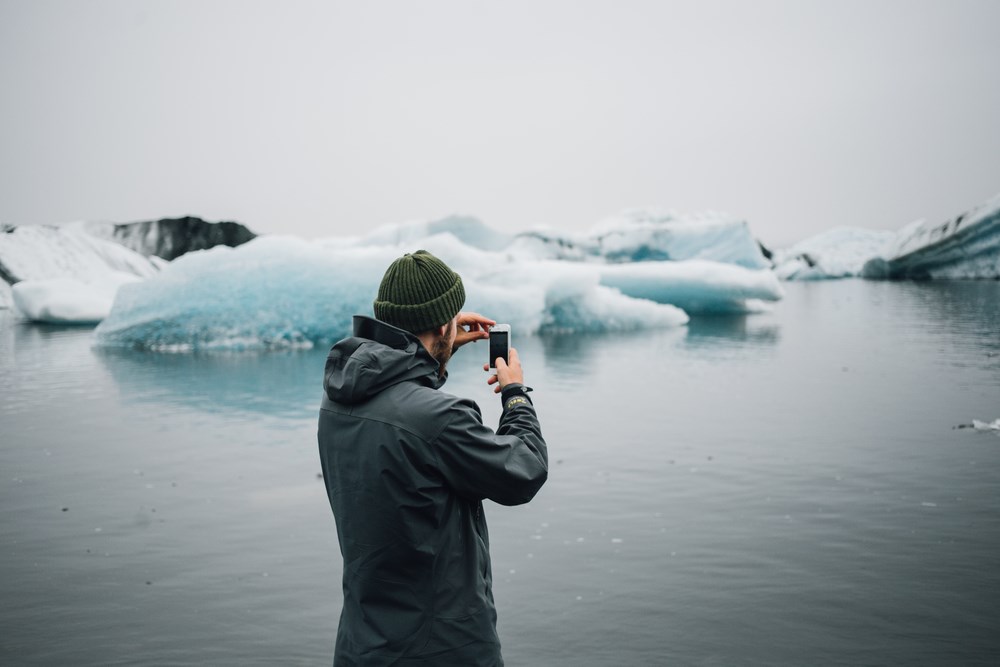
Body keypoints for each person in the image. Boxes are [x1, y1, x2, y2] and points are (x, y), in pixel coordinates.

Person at [318, 249, 548, 666]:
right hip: (444, 648)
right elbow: (524, 470)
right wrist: (515, 394)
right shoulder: (439, 418)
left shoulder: (336, 400)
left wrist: (437, 351)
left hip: (362, 644)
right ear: (444, 323)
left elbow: (403, 403)